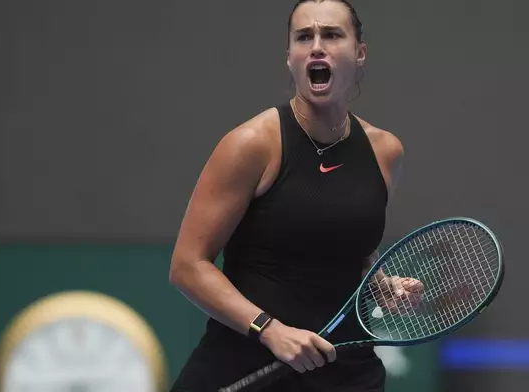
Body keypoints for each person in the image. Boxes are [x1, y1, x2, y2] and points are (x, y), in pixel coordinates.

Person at [168, 1, 423, 391]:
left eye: (332, 35)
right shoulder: (252, 145)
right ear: (290, 57)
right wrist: (269, 329)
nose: (317, 46)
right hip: (246, 370)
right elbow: (187, 266)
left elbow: (346, 244)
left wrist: (381, 285)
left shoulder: (386, 152)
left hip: (349, 375)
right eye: (304, 37)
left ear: (359, 53)